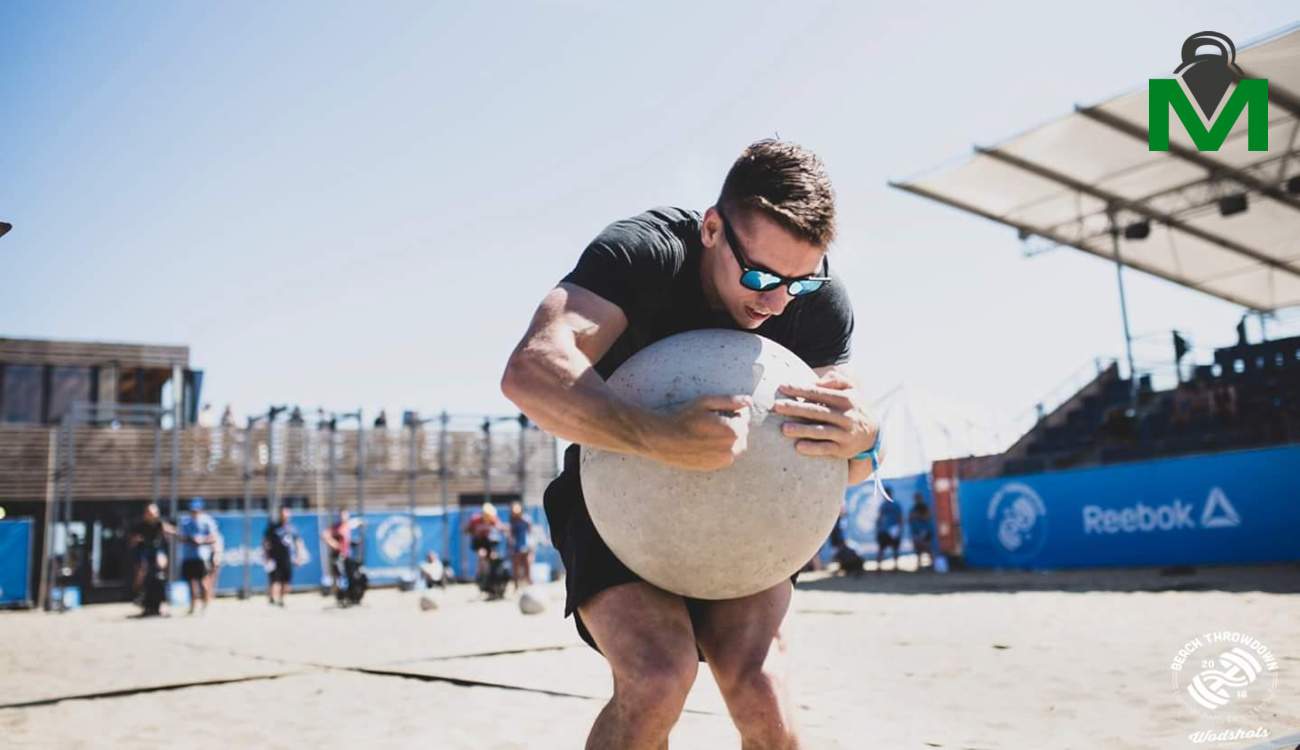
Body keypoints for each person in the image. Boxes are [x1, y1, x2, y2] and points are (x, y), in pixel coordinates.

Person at [501, 139, 879, 749]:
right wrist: (658, 437)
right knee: (657, 680)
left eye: (799, 282)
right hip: (614, 496)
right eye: (760, 275)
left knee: (765, 700)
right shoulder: (644, 254)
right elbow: (531, 370)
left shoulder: (818, 303)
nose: (776, 301)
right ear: (711, 229)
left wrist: (865, 442)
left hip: (752, 509)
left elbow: (845, 466)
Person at [178, 498, 220, 614]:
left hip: (202, 557)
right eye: (192, 510)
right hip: (188, 556)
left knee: (203, 582)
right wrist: (190, 539)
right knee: (190, 583)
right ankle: (192, 606)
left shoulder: (207, 522)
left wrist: (202, 540)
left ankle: (205, 605)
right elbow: (181, 537)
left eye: (196, 510)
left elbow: (213, 537)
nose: (194, 512)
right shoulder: (185, 522)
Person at [128, 503, 175, 602]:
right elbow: (132, 541)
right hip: (144, 551)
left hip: (157, 550)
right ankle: (137, 593)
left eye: (154, 513)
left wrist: (169, 533)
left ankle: (164, 590)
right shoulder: (140, 526)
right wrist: (136, 541)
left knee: (162, 565)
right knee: (142, 570)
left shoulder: (160, 524)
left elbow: (173, 531)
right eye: (149, 513)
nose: (152, 516)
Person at [262, 506, 306, 607]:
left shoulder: (292, 528)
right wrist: (266, 554)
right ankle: (272, 599)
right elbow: (266, 541)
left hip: (287, 558)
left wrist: (299, 556)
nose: (284, 515)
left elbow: (298, 542)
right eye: (282, 513)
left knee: (286, 580)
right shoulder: (273, 527)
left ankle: (281, 599)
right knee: (274, 579)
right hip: (274, 557)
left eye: (286, 513)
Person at [322, 509, 362, 601]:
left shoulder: (348, 526)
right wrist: (334, 544)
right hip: (338, 556)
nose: (344, 517)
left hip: (347, 556)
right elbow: (325, 535)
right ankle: (340, 596)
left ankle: (349, 596)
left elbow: (357, 522)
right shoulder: (337, 527)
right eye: (342, 515)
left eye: (346, 515)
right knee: (340, 577)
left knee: (350, 576)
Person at [508, 502, 535, 592]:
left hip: (526, 546)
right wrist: (512, 546)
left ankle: (530, 585)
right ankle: (516, 586)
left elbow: (530, 534)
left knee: (527, 565)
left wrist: (530, 546)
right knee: (516, 566)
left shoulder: (526, 520)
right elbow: (511, 535)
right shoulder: (512, 521)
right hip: (516, 547)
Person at [875, 493, 903, 572]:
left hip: (891, 529)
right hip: (886, 530)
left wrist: (899, 528)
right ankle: (880, 566)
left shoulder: (894, 505)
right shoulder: (884, 505)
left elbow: (900, 517)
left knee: (893, 549)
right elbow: (880, 517)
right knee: (883, 549)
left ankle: (894, 566)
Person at [907, 494, 936, 571]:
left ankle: (933, 565)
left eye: (918, 498)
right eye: (916, 499)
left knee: (928, 548)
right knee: (918, 550)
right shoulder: (913, 509)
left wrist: (918, 516)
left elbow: (927, 516)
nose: (917, 500)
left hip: (925, 531)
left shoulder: (925, 507)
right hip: (916, 532)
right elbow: (909, 519)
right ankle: (919, 565)